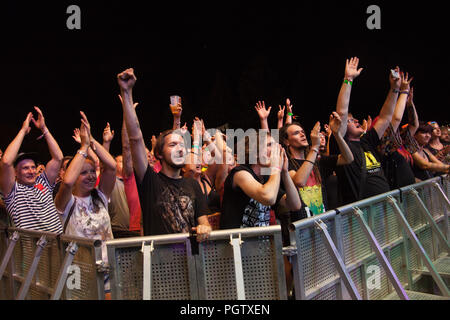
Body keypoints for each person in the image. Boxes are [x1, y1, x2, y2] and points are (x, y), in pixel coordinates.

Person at [117, 68, 212, 241]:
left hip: (191, 262)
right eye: (173, 144)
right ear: (159, 154)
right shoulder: (150, 181)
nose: (180, 148)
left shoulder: (193, 185)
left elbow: (203, 220)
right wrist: (127, 92)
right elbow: (136, 138)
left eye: (182, 144)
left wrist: (204, 227)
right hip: (161, 265)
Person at [54, 112, 116, 295]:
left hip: (106, 267)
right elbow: (66, 182)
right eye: (83, 173)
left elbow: (111, 166)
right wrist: (83, 147)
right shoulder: (66, 202)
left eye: (92, 171)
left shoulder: (101, 196)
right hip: (77, 269)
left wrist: (91, 140)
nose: (90, 176)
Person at [333, 57, 401, 205]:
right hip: (363, 212)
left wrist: (395, 89)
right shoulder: (343, 143)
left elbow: (385, 117)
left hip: (386, 205)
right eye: (352, 121)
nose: (357, 121)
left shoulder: (366, 142)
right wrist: (348, 79)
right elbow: (342, 112)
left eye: (355, 119)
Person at [0, 107, 64, 233]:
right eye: (25, 168)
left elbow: (58, 158)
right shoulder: (13, 191)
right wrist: (23, 131)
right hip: (33, 250)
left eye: (33, 167)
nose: (31, 171)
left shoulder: (43, 182)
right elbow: (6, 162)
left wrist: (44, 129)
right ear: (15, 173)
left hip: (57, 247)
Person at [280, 111, 353, 216]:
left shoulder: (318, 162)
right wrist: (314, 147)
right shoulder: (287, 165)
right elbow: (299, 181)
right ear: (286, 141)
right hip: (303, 228)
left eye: (302, 132)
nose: (302, 134)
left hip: (323, 223)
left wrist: (337, 134)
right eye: (296, 133)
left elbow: (348, 158)